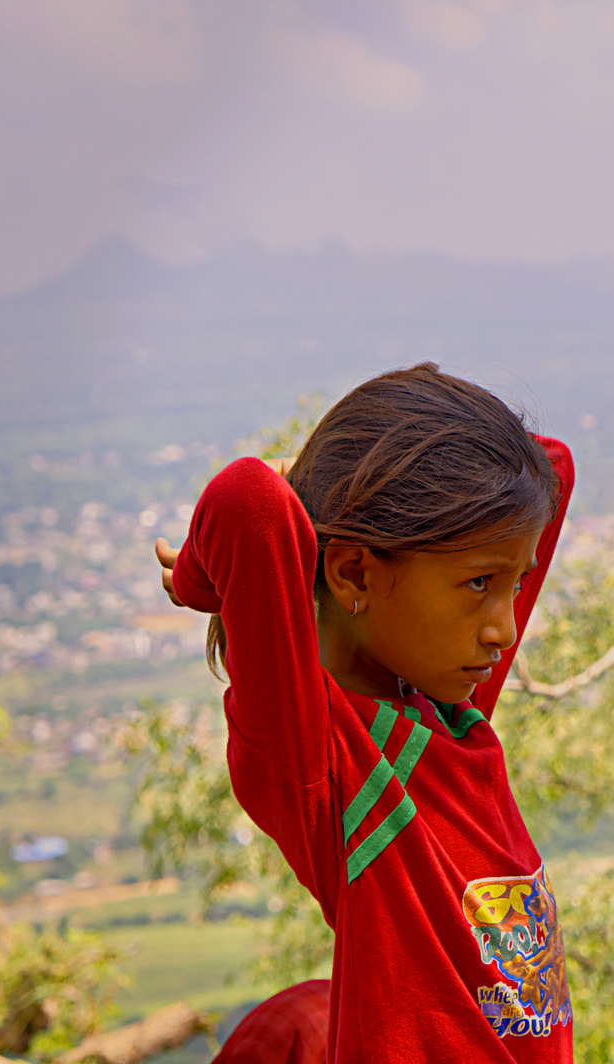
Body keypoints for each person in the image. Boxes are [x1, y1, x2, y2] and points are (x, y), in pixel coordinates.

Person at [154, 364, 575, 1063]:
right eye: (479, 583)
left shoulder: (446, 705)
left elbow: (551, 467)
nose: (503, 629)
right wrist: (200, 581)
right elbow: (247, 500)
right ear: (353, 574)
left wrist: (325, 492)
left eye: (516, 583)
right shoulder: (329, 763)